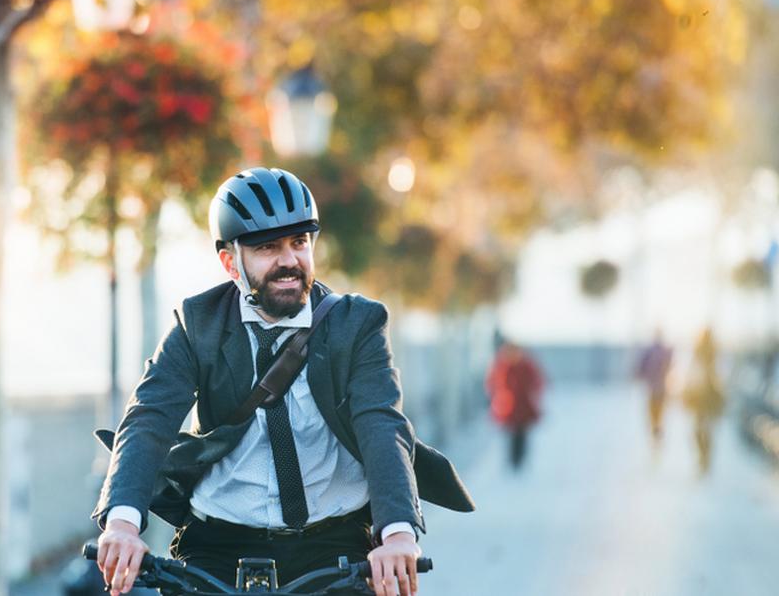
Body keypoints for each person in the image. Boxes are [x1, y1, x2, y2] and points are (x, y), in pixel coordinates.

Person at [92, 167, 471, 596]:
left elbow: (381, 425)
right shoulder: (197, 324)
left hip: (333, 546)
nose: (289, 260)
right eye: (268, 247)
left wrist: (398, 535)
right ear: (230, 261)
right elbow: (149, 419)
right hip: (218, 545)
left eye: (299, 242)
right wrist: (122, 524)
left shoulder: (357, 324)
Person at [485, 340, 545, 470]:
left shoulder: (527, 366)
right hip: (507, 407)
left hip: (523, 407)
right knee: (511, 435)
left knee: (522, 435)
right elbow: (492, 383)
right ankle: (512, 460)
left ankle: (520, 459)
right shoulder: (501, 366)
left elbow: (537, 382)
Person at [682, 326, 725, 475]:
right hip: (704, 397)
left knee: (701, 429)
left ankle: (704, 457)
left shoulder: (710, 352)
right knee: (703, 430)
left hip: (704, 397)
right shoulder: (704, 352)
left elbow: (692, 373)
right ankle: (704, 457)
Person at [635, 330, 674, 447]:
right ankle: (657, 433)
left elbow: (641, 368)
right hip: (661, 388)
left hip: (653, 388)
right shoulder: (664, 350)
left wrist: (641, 375)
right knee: (658, 413)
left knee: (654, 413)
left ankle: (655, 433)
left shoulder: (650, 351)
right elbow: (670, 365)